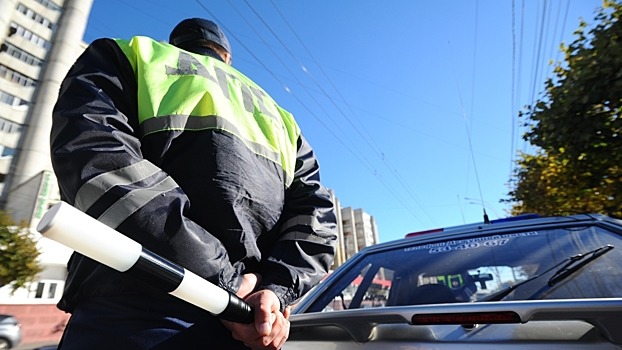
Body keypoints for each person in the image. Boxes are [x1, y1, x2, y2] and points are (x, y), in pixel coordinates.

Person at [49, 17, 337, 350]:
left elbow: (95, 159)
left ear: (176, 45)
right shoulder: (281, 119)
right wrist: (272, 290)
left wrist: (222, 282)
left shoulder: (132, 56)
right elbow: (317, 220)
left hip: (131, 312)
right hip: (250, 324)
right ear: (226, 56)